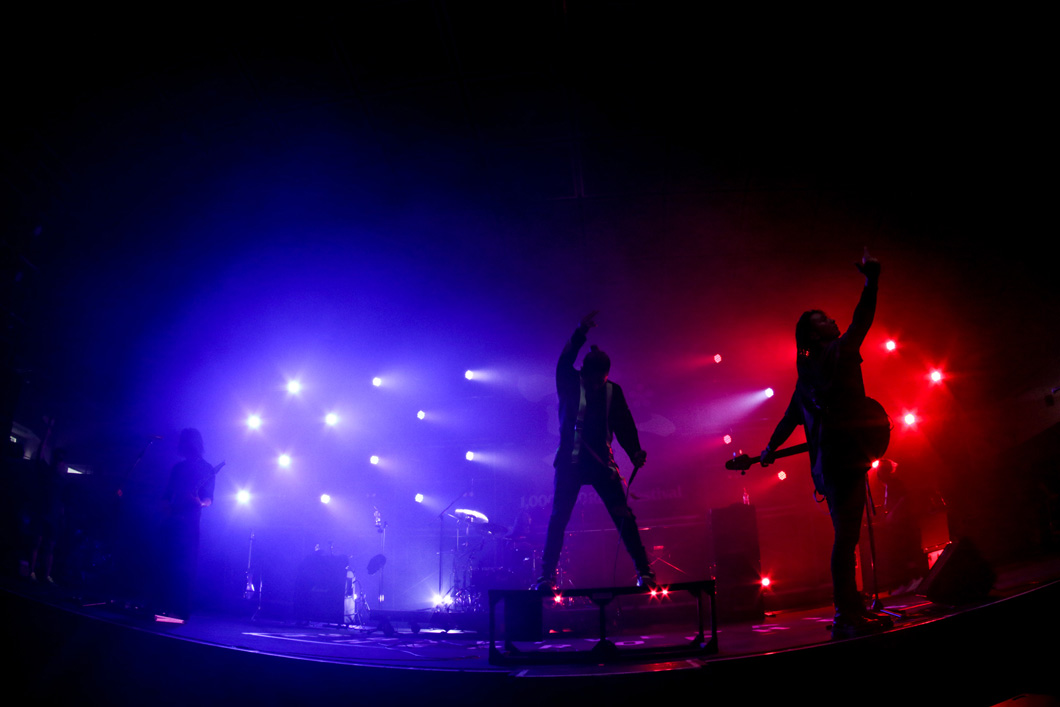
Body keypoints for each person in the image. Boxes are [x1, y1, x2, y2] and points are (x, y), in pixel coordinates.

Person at [760, 248, 892, 639]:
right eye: (824, 319)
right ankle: (846, 615)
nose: (833, 320)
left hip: (829, 466)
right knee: (847, 538)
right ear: (817, 334)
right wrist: (871, 282)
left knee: (846, 537)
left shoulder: (805, 376)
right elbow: (862, 319)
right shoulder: (839, 351)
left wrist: (769, 450)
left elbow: (789, 420)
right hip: (846, 459)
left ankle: (850, 611)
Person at [532, 311, 655, 591]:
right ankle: (546, 576)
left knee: (623, 515)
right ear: (583, 373)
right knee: (559, 518)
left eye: (601, 380)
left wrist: (635, 451)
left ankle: (644, 571)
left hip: (601, 463)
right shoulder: (568, 381)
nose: (596, 385)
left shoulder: (613, 391)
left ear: (606, 376)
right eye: (592, 380)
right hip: (570, 463)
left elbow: (624, 424)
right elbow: (564, 359)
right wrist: (580, 333)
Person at [157, 428, 216, 622]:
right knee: (167, 563)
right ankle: (164, 606)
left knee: (186, 566)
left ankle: (180, 610)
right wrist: (165, 505)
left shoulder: (207, 468)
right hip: (173, 521)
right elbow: (167, 495)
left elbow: (209, 498)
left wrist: (199, 502)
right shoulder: (178, 468)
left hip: (190, 524)